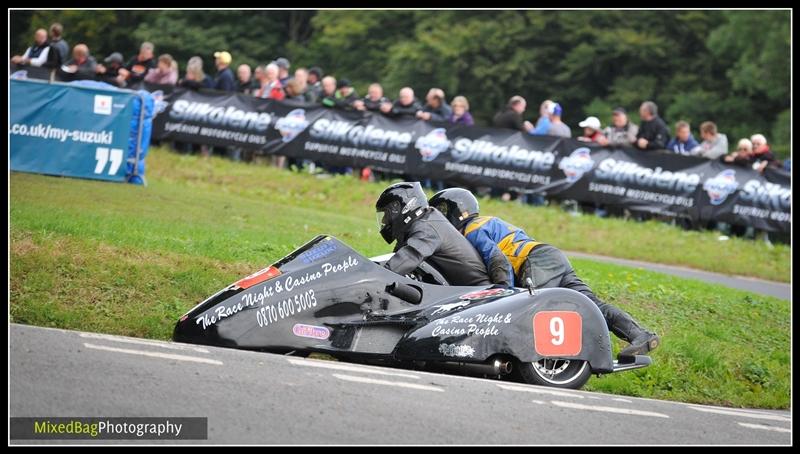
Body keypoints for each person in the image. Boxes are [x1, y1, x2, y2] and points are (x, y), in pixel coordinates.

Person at [428, 188, 661, 359]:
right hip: (551, 257)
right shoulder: (488, 221)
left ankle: (534, 358)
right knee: (592, 306)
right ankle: (640, 335)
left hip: (535, 260)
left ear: (456, 212)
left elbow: (497, 259)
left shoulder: (472, 228)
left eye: (441, 212)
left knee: (532, 308)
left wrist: (503, 294)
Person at [376, 182, 492, 287]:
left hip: (476, 292)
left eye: (387, 214)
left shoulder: (427, 226)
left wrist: (375, 278)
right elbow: (397, 256)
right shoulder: (424, 221)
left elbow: (408, 257)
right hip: (459, 289)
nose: (384, 221)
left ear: (404, 208)